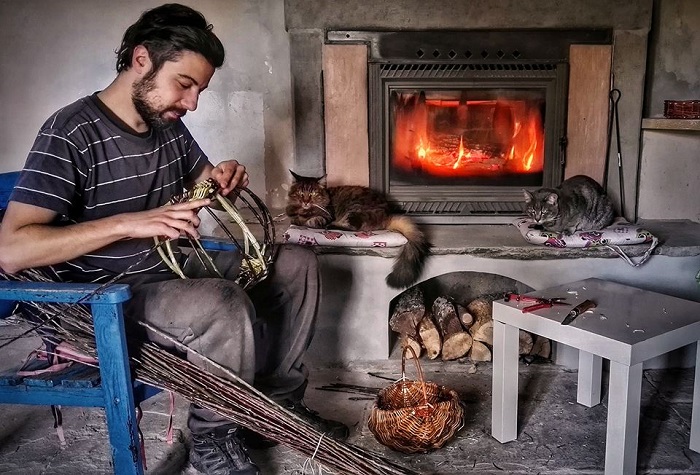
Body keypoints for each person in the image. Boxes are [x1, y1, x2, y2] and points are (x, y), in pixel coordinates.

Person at [0, 4, 348, 475]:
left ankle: (274, 409)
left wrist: (223, 175)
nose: (192, 103)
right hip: (108, 296)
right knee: (221, 303)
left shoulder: (168, 127)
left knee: (296, 264)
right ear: (141, 60)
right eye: (185, 84)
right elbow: (12, 249)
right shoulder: (71, 132)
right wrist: (131, 222)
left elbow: (204, 180)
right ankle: (213, 439)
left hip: (166, 272)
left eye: (200, 90)